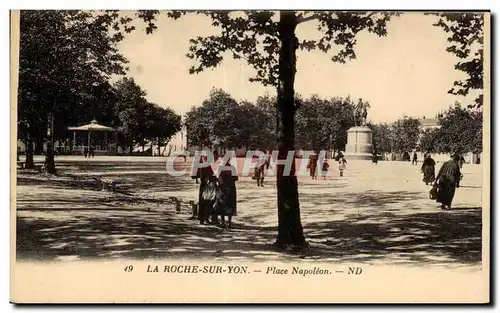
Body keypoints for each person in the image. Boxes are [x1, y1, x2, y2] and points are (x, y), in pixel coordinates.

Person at [215, 159, 238, 229]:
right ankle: (229, 223)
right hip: (231, 190)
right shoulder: (232, 168)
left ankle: (223, 222)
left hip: (222, 190)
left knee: (222, 206)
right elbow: (236, 178)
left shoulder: (220, 168)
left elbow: (218, 178)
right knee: (230, 206)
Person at [191, 154, 215, 224]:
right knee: (207, 202)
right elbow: (211, 175)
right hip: (207, 186)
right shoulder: (206, 166)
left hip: (203, 185)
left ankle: (201, 219)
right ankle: (206, 218)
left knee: (202, 202)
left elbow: (194, 175)